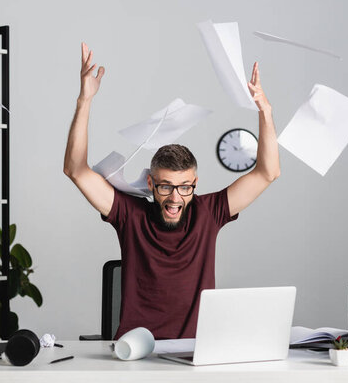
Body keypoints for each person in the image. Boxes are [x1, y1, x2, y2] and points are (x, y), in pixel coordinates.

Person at [64, 43, 280, 339]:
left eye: (184, 187)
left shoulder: (210, 213)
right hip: (135, 352)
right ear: (151, 183)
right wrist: (84, 100)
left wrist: (265, 110)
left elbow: (268, 172)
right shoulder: (130, 215)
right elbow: (75, 170)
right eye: (166, 186)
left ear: (195, 184)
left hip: (194, 352)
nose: (175, 197)